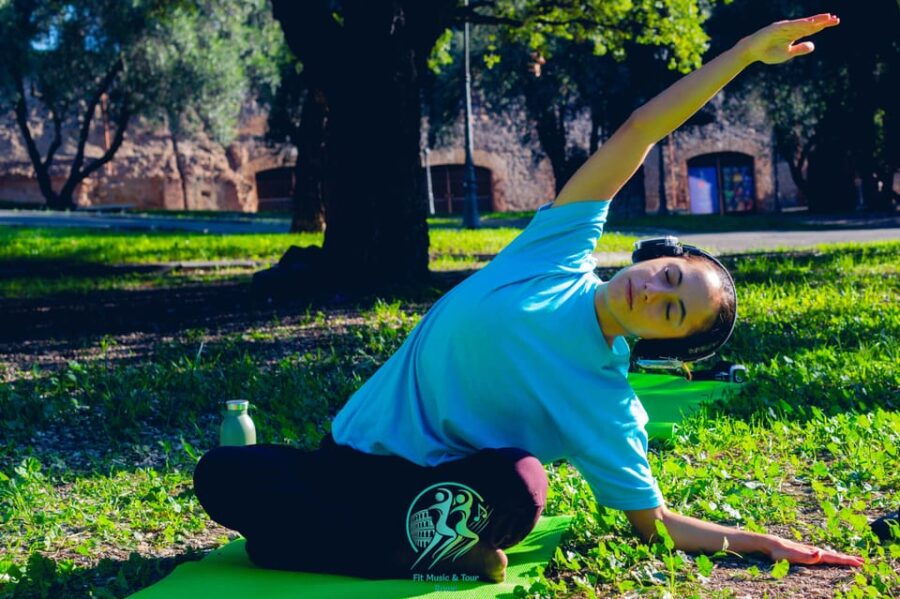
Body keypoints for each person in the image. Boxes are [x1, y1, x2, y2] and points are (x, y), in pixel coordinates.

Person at [193, 12, 863, 584]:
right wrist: (742, 54)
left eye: (672, 312)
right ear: (660, 257)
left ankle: (350, 544)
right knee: (221, 474)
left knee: (522, 485)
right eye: (670, 277)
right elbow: (641, 130)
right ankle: (383, 551)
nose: (654, 293)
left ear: (663, 341)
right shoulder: (557, 251)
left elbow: (655, 523)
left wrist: (761, 542)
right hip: (349, 460)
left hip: (438, 494)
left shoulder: (604, 400)